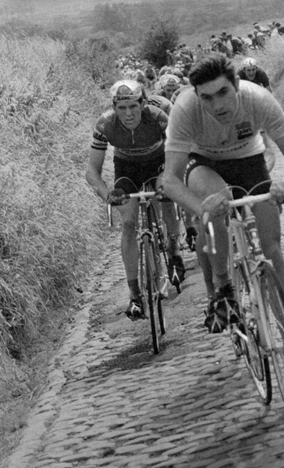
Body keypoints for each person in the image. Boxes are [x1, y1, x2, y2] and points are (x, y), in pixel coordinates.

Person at [160, 53, 284, 345]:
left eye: (223, 93)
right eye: (207, 98)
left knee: (272, 251)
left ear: (237, 84)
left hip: (248, 159)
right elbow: (169, 180)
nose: (217, 105)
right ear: (196, 95)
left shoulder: (258, 99)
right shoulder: (186, 108)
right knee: (218, 201)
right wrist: (200, 208)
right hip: (202, 161)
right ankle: (222, 287)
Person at [86, 80, 186, 320]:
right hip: (126, 169)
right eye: (122, 108)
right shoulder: (105, 124)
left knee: (165, 196)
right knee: (129, 223)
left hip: (158, 164)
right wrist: (107, 194)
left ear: (142, 103)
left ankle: (174, 252)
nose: (128, 113)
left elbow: (178, 152)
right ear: (114, 108)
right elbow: (92, 172)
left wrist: (171, 181)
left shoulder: (158, 117)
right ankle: (134, 294)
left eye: (133, 106)